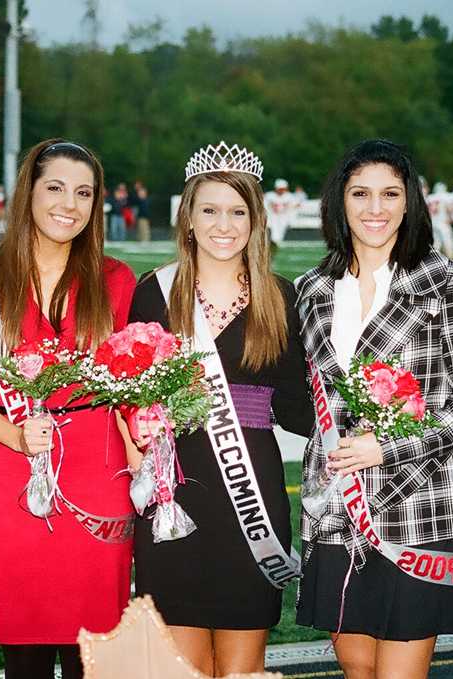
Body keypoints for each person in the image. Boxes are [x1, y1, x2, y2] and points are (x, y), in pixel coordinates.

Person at [295, 139, 453, 679]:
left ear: (411, 203)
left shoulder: (446, 281)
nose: (375, 208)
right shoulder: (311, 288)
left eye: (390, 193)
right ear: (340, 202)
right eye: (360, 193)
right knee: (357, 666)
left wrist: (388, 447)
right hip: (337, 506)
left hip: (421, 499)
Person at [0, 139, 136, 679]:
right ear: (28, 192)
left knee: (92, 652)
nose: (68, 204)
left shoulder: (116, 279)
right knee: (23, 649)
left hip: (99, 477)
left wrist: (144, 461)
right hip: (14, 477)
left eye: (83, 193)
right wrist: (13, 435)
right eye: (55, 187)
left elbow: (128, 390)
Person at [124, 142, 314, 677]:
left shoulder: (280, 297)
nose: (223, 224)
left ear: (256, 221)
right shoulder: (154, 294)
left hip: (250, 496)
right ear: (188, 218)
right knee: (181, 668)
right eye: (209, 209)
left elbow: (299, 411)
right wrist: (137, 452)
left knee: (240, 670)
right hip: (173, 497)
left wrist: (366, 398)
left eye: (238, 211)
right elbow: (125, 394)